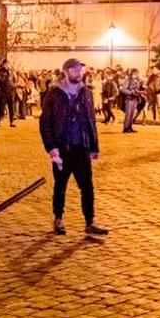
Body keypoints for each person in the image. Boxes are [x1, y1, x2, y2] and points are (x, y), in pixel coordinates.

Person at [40, 59, 108, 236]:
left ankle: (90, 221)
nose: (79, 72)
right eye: (75, 69)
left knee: (87, 186)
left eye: (80, 69)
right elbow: (45, 122)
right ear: (65, 72)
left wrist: (94, 145)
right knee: (60, 185)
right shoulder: (54, 94)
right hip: (62, 148)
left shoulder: (86, 92)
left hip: (81, 148)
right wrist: (51, 147)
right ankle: (58, 219)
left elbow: (91, 120)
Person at [0, 58, 17, 127]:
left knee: (12, 107)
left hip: (11, 91)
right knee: (1, 107)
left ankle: (12, 121)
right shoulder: (0, 71)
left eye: (8, 63)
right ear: (3, 64)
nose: (7, 65)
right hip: (3, 91)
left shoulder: (11, 71)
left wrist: (14, 84)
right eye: (5, 64)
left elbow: (15, 79)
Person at [121, 68, 142, 133]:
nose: (136, 75)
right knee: (128, 114)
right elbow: (123, 90)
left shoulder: (137, 81)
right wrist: (131, 92)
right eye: (134, 73)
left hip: (135, 99)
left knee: (132, 114)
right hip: (129, 99)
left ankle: (130, 127)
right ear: (131, 73)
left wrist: (138, 92)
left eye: (137, 73)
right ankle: (125, 127)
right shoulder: (127, 80)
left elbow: (137, 89)